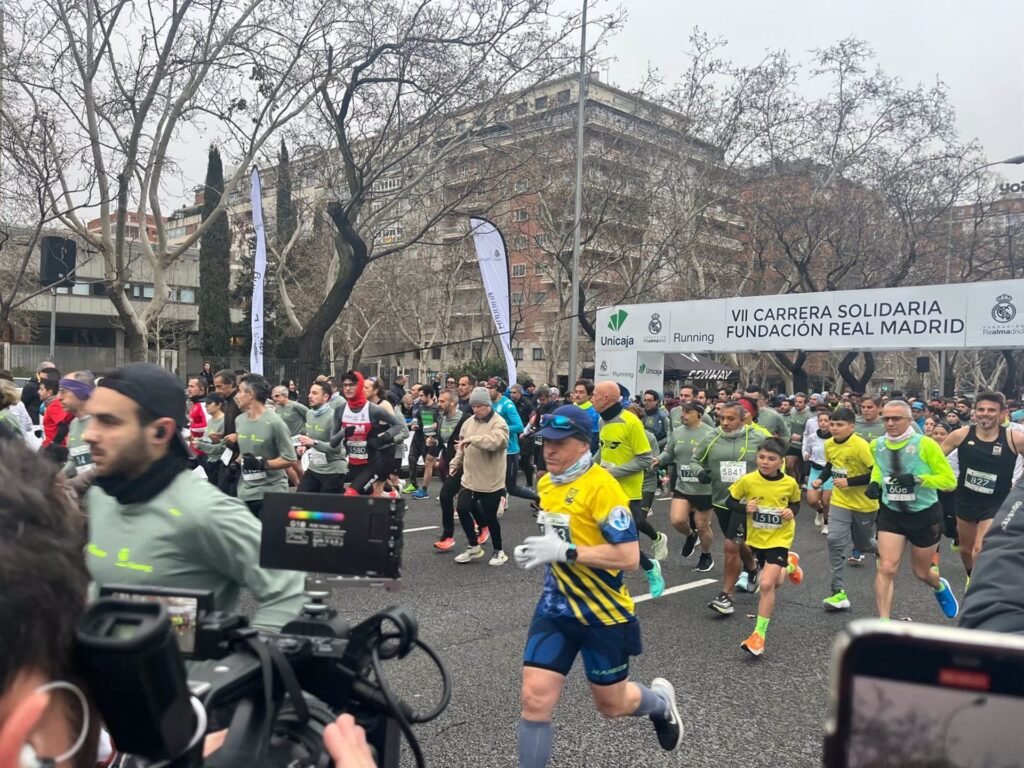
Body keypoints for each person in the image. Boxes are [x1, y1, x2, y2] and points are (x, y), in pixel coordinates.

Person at [514, 405, 682, 768]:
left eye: (559, 443)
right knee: (535, 700)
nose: (549, 450)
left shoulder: (603, 488)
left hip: (603, 613)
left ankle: (660, 704)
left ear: (583, 444)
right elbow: (562, 535)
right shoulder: (547, 484)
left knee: (612, 705)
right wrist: (539, 550)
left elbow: (628, 557)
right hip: (555, 607)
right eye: (545, 442)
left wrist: (566, 551)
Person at [83, 363, 307, 631]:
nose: (89, 434)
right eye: (91, 419)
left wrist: (252, 651)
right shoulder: (100, 498)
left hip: (267, 488)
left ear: (160, 431)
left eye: (109, 422)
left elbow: (288, 589)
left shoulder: (205, 511)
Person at [870, 400, 959, 620]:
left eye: (896, 418)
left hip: (924, 514)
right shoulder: (877, 445)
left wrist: (918, 479)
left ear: (909, 420)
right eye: (886, 418)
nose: (890, 423)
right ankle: (883, 623)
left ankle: (938, 585)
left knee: (921, 572)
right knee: (886, 567)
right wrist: (875, 483)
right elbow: (880, 468)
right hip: (892, 513)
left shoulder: (926, 444)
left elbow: (949, 482)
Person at [726, 438, 803, 656]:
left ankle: (758, 636)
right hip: (757, 538)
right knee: (776, 581)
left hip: (780, 538)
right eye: (761, 457)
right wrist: (744, 507)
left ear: (781, 461)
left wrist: (791, 511)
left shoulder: (789, 483)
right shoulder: (748, 480)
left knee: (766, 583)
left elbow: (796, 503)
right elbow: (730, 501)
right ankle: (790, 565)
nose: (765, 462)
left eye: (771, 459)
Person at [691, 400, 767, 615]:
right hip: (723, 500)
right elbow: (695, 460)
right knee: (738, 543)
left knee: (731, 545)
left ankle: (726, 595)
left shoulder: (759, 437)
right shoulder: (712, 437)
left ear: (744, 419)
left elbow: (775, 460)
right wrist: (700, 472)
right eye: (722, 418)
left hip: (749, 503)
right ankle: (752, 568)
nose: (725, 422)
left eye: (731, 419)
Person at [592, 380, 667, 597]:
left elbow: (645, 459)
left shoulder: (631, 422)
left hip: (628, 492)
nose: (592, 398)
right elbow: (604, 450)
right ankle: (609, 584)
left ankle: (650, 568)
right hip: (606, 489)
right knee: (605, 537)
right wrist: (588, 467)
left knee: (623, 540)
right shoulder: (602, 421)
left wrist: (612, 473)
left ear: (606, 398)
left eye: (595, 394)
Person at [939, 391, 1023, 581]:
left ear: (1002, 413)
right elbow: (935, 460)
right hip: (965, 499)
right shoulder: (960, 435)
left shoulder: (1014, 439)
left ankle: (980, 587)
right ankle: (972, 577)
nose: (985, 414)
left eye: (991, 410)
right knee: (966, 550)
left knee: (980, 548)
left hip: (997, 503)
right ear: (974, 412)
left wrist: (1019, 488)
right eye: (981, 409)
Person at [812, 408, 878, 611]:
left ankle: (885, 551)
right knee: (834, 540)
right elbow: (831, 466)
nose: (834, 428)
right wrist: (820, 479)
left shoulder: (860, 445)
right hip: (840, 501)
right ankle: (838, 592)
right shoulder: (829, 444)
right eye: (832, 424)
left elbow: (876, 472)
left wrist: (849, 482)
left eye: (839, 425)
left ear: (851, 426)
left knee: (863, 544)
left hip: (864, 503)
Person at [448, 387, 509, 565]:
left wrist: (473, 439)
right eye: (473, 406)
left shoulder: (499, 423)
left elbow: (498, 441)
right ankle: (474, 546)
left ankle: (499, 551)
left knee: (490, 517)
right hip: (470, 478)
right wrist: (455, 463)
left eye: (480, 406)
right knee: (462, 509)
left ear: (488, 405)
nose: (476, 410)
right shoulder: (468, 423)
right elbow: (461, 447)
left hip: (491, 480)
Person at [656, 401, 716, 571]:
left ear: (699, 414)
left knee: (702, 525)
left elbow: (717, 457)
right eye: (683, 411)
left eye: (688, 412)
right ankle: (691, 535)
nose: (683, 415)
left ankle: (706, 555)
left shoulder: (710, 433)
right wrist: (658, 460)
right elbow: (669, 453)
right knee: (677, 520)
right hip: (683, 485)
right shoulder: (677, 432)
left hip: (704, 488)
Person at [331, 371, 407, 496]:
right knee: (369, 496)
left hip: (374, 462)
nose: (348, 388)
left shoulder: (373, 409)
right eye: (345, 385)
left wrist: (384, 438)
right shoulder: (340, 410)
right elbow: (333, 442)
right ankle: (391, 496)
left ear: (359, 386)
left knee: (351, 494)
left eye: (352, 385)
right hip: (354, 464)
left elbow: (398, 425)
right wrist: (342, 433)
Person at [488, 376, 539, 503]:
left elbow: (519, 426)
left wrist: (499, 429)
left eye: (491, 388)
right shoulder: (488, 404)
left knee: (512, 488)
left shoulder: (507, 404)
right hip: (495, 448)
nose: (488, 391)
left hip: (509, 450)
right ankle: (497, 504)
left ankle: (539, 499)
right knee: (491, 482)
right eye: (487, 388)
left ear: (499, 389)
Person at [434, 388, 472, 551]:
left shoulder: (466, 419)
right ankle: (449, 536)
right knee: (454, 499)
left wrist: (466, 444)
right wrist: (434, 443)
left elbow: (474, 440)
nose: (439, 404)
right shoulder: (440, 419)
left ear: (453, 403)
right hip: (451, 464)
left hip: (465, 464)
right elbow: (443, 442)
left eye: (442, 401)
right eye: (439, 400)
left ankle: (448, 535)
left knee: (451, 497)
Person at [296, 380, 348, 494]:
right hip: (314, 467)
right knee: (299, 500)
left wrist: (313, 443)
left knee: (326, 504)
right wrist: (304, 446)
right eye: (310, 392)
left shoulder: (334, 417)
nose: (309, 396)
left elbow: (336, 448)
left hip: (333, 470)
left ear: (325, 397)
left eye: (314, 393)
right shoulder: (309, 413)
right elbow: (311, 437)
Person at [57, 371, 97, 498]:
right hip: (84, 501)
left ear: (82, 392)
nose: (58, 397)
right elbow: (73, 461)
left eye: (64, 391)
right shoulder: (74, 424)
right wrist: (55, 480)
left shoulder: (102, 422)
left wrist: (72, 483)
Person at [406, 385, 442, 499]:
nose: (420, 398)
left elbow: (442, 422)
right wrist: (415, 424)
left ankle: (444, 479)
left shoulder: (437, 408)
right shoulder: (419, 406)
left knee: (430, 464)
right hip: (418, 436)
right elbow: (416, 417)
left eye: (422, 395)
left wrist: (436, 425)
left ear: (429, 395)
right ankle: (414, 484)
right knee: (411, 458)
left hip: (430, 439)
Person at [804, 411, 833, 535]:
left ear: (831, 422)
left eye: (826, 420)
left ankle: (826, 523)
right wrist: (806, 455)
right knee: (812, 501)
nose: (823, 423)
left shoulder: (835, 438)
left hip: (830, 471)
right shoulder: (812, 437)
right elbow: (807, 450)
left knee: (826, 501)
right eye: (820, 420)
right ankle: (819, 511)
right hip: (815, 469)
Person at [194, 392, 227, 485]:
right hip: (209, 461)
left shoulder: (224, 422)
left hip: (219, 463)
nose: (206, 406)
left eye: (209, 403)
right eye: (205, 403)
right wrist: (198, 440)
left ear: (219, 405)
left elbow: (221, 447)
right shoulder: (210, 421)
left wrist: (200, 444)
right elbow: (207, 439)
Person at [572, 378, 600, 452]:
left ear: (589, 395)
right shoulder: (569, 409)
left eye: (581, 392)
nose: (577, 395)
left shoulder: (594, 413)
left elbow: (594, 440)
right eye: (576, 392)